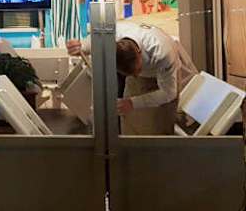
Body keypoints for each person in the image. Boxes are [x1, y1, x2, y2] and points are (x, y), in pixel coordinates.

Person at [67, 21, 197, 134]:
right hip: (143, 70)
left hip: (165, 72)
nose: (135, 75)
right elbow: (91, 42)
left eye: (137, 71)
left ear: (139, 53)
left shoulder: (163, 53)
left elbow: (168, 93)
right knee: (132, 122)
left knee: (161, 124)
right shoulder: (113, 35)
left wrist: (133, 102)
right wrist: (79, 47)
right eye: (129, 74)